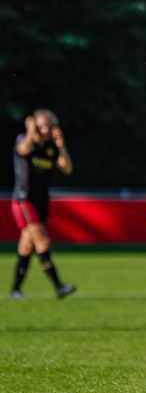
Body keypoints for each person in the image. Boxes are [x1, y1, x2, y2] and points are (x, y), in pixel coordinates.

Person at [9, 110, 76, 300]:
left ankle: (15, 290)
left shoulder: (50, 147)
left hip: (41, 202)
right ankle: (58, 286)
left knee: (26, 247)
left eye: (48, 125)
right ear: (34, 125)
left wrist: (61, 145)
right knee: (43, 242)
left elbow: (67, 168)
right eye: (41, 125)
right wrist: (30, 130)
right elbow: (23, 150)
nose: (45, 129)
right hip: (24, 199)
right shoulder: (25, 140)